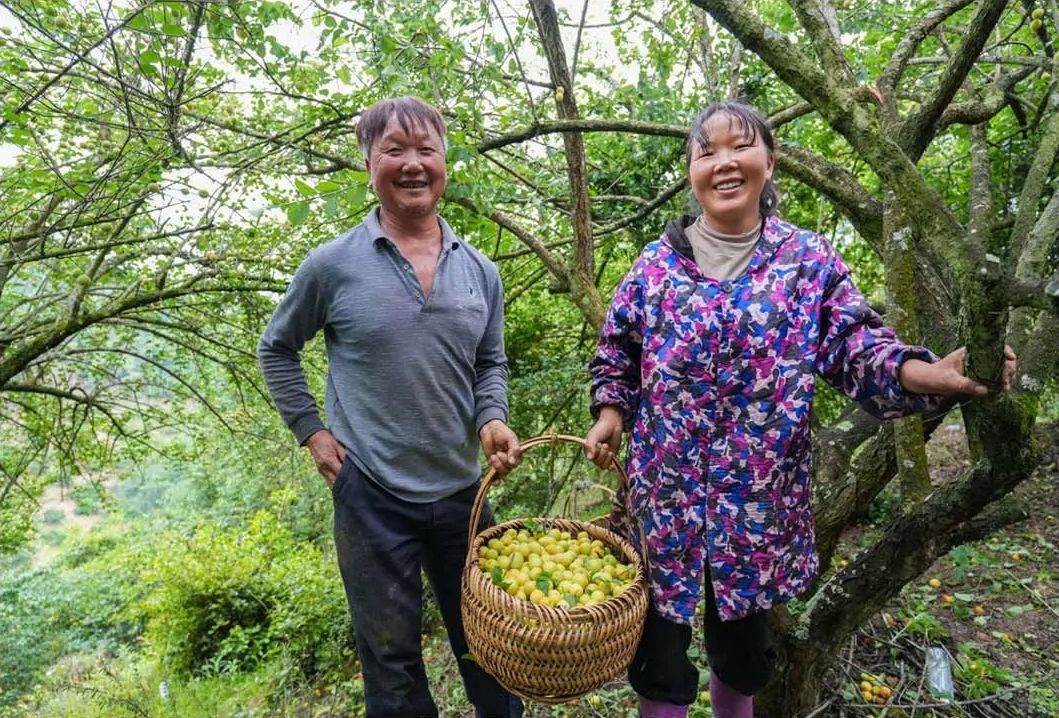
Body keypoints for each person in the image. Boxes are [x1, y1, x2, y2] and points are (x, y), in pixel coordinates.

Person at [582, 101, 1016, 718]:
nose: (724, 163)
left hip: (756, 509)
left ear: (770, 160)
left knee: (741, 656)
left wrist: (932, 373)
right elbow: (617, 354)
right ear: (690, 172)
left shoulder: (805, 262)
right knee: (661, 661)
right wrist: (610, 413)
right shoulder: (655, 266)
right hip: (665, 505)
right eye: (706, 152)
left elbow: (856, 348)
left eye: (740, 146)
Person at [258, 96, 523, 718]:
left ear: (446, 161)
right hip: (371, 494)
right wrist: (314, 435)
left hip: (464, 493)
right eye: (393, 150)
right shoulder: (331, 266)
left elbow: (490, 364)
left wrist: (492, 417)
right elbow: (277, 349)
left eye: (426, 149)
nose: (412, 164)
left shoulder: (481, 271)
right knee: (392, 667)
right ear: (367, 162)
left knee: (492, 649)